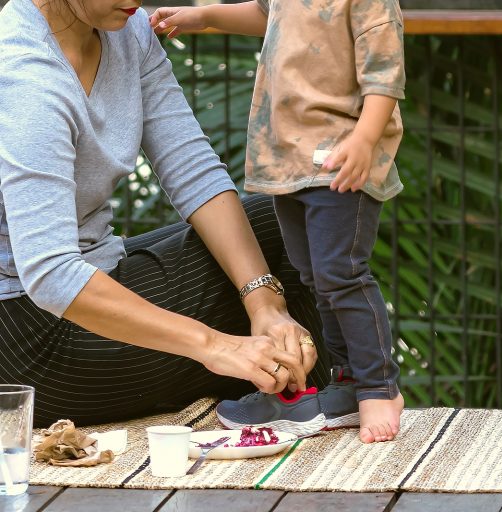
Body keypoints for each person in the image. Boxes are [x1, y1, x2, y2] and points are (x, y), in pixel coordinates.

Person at [0, 0, 327, 429]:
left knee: (284, 220)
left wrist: (264, 302)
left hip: (91, 273)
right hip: (25, 343)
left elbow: (191, 167)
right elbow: (53, 274)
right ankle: (318, 414)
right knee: (240, 323)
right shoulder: (25, 74)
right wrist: (214, 345)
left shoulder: (127, 29)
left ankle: (296, 404)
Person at [149, 0, 406, 443]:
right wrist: (206, 16)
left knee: (342, 274)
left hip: (339, 161)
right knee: (314, 277)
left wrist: (365, 139)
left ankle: (380, 386)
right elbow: (266, 13)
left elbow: (385, 71)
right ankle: (345, 385)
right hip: (288, 162)